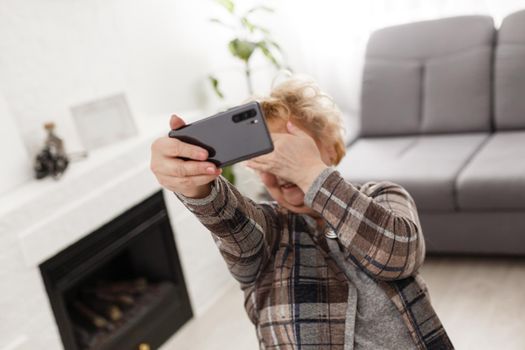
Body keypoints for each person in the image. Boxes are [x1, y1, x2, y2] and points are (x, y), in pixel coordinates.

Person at [150, 78, 453, 349]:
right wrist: (196, 188)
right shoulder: (269, 232)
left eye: (290, 150)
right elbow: (229, 221)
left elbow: (397, 255)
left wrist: (310, 173)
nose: (280, 165)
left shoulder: (382, 196)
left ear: (331, 150)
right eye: (266, 156)